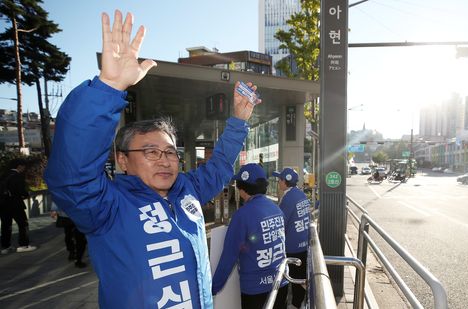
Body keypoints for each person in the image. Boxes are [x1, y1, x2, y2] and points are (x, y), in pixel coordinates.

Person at [44, 10, 259, 308]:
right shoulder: (106, 207)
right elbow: (71, 175)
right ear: (123, 161)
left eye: (170, 152)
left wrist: (238, 121)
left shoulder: (187, 190)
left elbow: (220, 166)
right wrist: (107, 88)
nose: (165, 160)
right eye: (150, 152)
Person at [212, 163, 288, 309]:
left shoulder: (242, 215)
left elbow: (229, 256)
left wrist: (213, 288)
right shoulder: (276, 208)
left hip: (255, 289)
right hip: (280, 281)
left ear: (242, 188)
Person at [272, 168, 310, 309]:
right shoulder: (301, 195)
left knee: (293, 278)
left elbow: (281, 224)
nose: (278, 183)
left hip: (292, 247)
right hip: (304, 243)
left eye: (279, 180)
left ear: (284, 182)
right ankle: (299, 302)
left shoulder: (287, 199)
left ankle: (295, 305)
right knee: (300, 278)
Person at [0, 158, 36, 254]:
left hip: (3, 205)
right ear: (19, 166)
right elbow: (21, 191)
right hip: (15, 204)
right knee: (23, 224)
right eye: (24, 166)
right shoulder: (18, 176)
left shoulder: (3, 175)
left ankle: (5, 247)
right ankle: (23, 245)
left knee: (6, 225)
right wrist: (26, 194)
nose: (24, 168)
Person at [50, 203, 88, 268]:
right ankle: (78, 259)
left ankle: (72, 252)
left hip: (66, 215)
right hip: (78, 214)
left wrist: (54, 210)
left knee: (69, 235)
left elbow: (58, 195)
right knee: (80, 238)